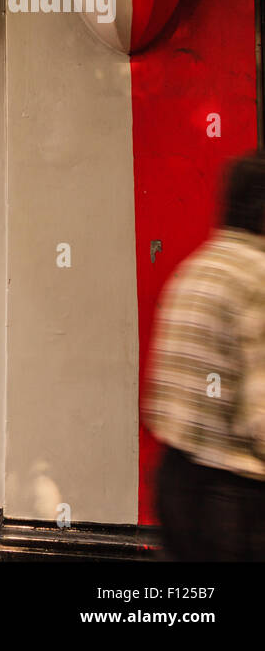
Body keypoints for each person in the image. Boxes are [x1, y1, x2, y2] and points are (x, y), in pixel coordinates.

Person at [145, 152, 265, 560]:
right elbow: (260, 414)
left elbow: (159, 398)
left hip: (177, 481)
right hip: (234, 497)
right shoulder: (256, 276)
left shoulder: (196, 269)